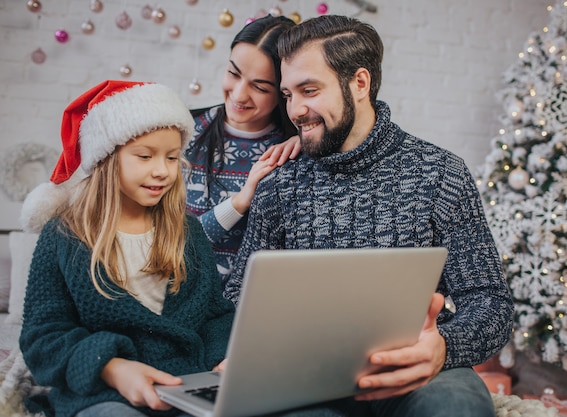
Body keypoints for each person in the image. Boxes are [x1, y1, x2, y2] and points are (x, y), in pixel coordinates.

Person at [224, 15, 514, 417]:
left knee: (456, 406)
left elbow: (490, 302)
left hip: (413, 371)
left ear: (359, 83)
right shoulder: (279, 185)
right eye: (288, 94)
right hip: (303, 376)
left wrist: (444, 347)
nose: (295, 110)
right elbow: (239, 293)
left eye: (309, 90)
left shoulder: (439, 173)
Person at [19, 80, 235, 417]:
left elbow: (216, 316)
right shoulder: (64, 235)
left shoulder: (187, 233)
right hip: (101, 392)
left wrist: (225, 357)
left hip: (184, 386)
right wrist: (112, 368)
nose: (162, 171)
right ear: (106, 158)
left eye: (172, 157)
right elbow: (43, 337)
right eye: (145, 156)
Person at [185, 15, 300, 283]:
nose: (238, 95)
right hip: (182, 294)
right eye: (233, 73)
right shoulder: (183, 131)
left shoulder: (290, 151)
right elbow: (172, 243)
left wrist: (309, 139)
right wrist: (239, 202)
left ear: (284, 92)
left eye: (259, 87)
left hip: (253, 306)